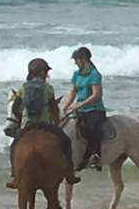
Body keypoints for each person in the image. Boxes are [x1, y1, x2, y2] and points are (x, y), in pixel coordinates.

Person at [6, 58, 80, 189]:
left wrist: (19, 123)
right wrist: (56, 122)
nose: (47, 75)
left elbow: (16, 109)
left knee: (14, 146)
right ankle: (70, 174)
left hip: (27, 127)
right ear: (42, 73)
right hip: (45, 126)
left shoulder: (21, 88)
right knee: (66, 142)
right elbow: (54, 109)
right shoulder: (49, 88)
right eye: (46, 72)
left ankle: (14, 176)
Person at [63, 46, 106, 171]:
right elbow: (73, 93)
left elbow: (96, 95)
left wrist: (80, 104)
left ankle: (95, 156)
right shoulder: (76, 74)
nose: (75, 62)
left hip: (95, 109)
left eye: (77, 60)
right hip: (80, 109)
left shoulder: (95, 74)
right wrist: (66, 107)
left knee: (91, 128)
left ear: (84, 60)